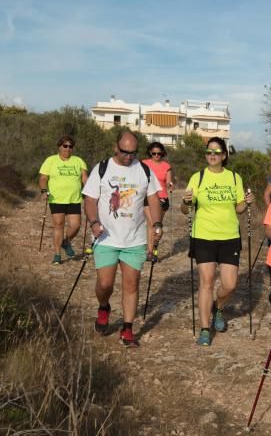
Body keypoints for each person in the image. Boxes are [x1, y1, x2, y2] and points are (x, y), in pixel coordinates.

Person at [82, 131, 162, 347]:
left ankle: (127, 329)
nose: (129, 156)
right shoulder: (102, 168)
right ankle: (104, 306)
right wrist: (93, 222)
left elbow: (153, 199)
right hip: (106, 238)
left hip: (134, 239)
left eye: (133, 152)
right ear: (115, 148)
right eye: (125, 152)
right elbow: (90, 200)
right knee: (105, 284)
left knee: (131, 284)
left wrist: (157, 224)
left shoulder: (144, 170)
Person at [181, 136, 254, 347]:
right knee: (207, 281)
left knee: (230, 285)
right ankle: (205, 329)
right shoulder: (198, 177)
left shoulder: (234, 178)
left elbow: (238, 208)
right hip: (203, 235)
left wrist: (247, 203)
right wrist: (186, 202)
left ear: (224, 155)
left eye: (216, 152)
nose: (212, 155)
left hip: (230, 236)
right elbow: (186, 209)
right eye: (208, 151)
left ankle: (218, 308)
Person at [39, 135, 88, 264]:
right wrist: (44, 190)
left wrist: (89, 191)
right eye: (65, 146)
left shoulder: (78, 161)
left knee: (76, 225)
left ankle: (66, 242)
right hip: (56, 198)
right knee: (58, 225)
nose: (68, 149)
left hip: (74, 199)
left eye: (70, 146)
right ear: (59, 147)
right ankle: (57, 255)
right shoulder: (51, 160)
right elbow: (43, 178)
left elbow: (84, 178)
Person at [143, 142, 173, 259]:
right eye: (154, 153)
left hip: (162, 198)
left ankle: (155, 248)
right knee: (151, 223)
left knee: (157, 226)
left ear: (162, 153)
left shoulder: (166, 166)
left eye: (159, 153)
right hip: (148, 197)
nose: (156, 155)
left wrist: (170, 184)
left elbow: (168, 181)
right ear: (150, 152)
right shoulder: (144, 164)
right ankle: (149, 252)